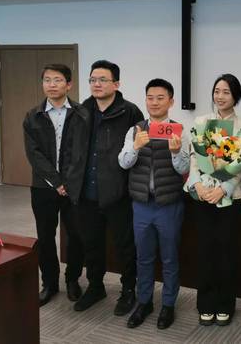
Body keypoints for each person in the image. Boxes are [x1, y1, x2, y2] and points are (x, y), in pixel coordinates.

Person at [70, 60, 143, 315]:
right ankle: (95, 286)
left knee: (125, 246)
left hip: (117, 193)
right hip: (86, 192)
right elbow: (71, 149)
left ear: (116, 84)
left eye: (103, 79)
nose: (97, 84)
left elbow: (138, 153)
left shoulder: (130, 112)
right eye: (93, 80)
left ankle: (128, 290)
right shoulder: (81, 111)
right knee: (91, 244)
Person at [119, 78, 190, 330]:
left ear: (171, 101)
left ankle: (168, 304)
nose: (155, 102)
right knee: (144, 257)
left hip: (168, 205)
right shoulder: (135, 130)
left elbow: (184, 168)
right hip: (141, 205)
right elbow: (123, 163)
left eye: (160, 98)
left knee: (169, 258)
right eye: (150, 98)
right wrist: (135, 147)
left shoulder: (180, 130)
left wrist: (175, 152)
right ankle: (144, 302)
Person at [184, 74, 241, 327]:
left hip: (229, 198)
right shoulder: (202, 122)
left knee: (226, 252)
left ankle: (225, 305)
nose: (220, 96)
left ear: (235, 97)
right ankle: (205, 304)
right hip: (203, 196)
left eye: (226, 92)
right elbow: (194, 157)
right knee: (205, 251)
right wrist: (198, 184)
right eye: (217, 91)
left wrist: (223, 189)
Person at [23, 63, 86, 307]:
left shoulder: (81, 114)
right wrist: (57, 182)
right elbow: (34, 154)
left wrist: (68, 182)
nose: (51, 85)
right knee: (45, 236)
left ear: (69, 85)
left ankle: (72, 280)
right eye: (47, 80)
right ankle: (49, 283)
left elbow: (81, 152)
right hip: (43, 187)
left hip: (74, 187)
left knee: (76, 235)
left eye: (57, 80)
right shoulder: (33, 115)